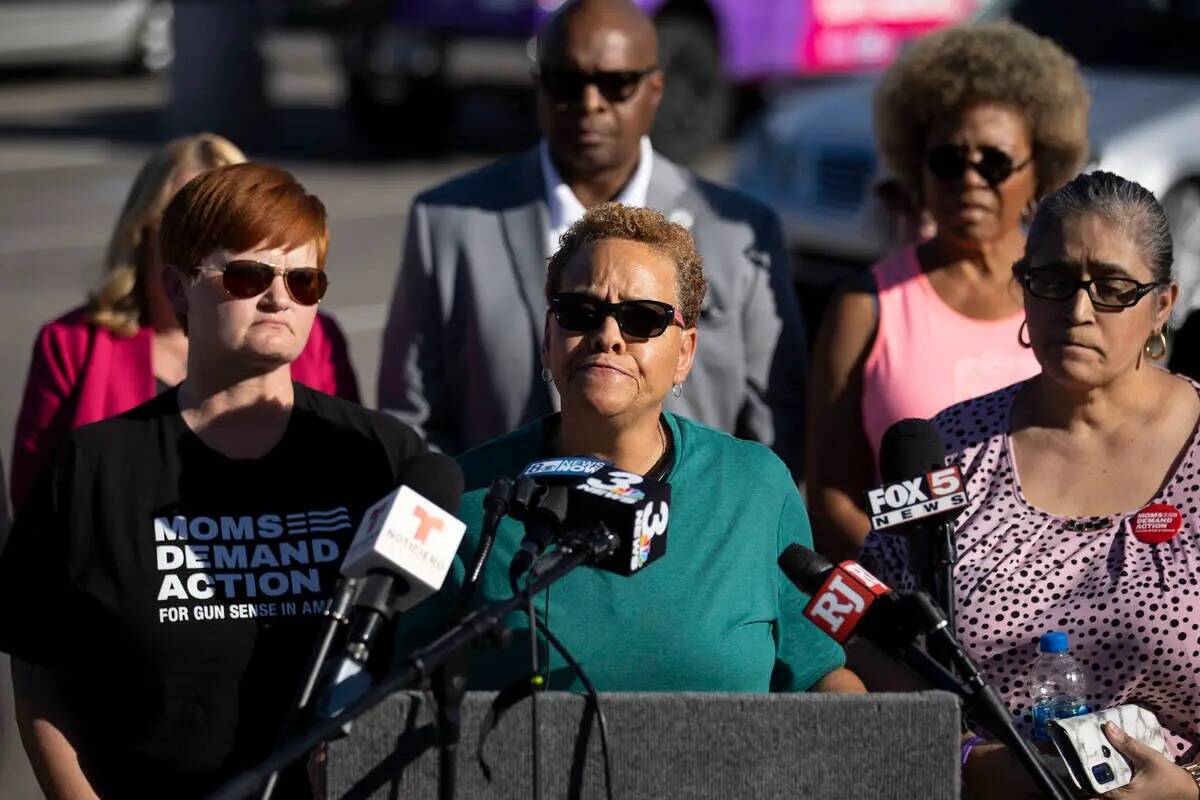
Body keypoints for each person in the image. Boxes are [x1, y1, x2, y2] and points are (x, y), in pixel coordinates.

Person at [0, 164, 424, 799]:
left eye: (303, 280)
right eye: (248, 275)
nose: (279, 298)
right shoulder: (94, 466)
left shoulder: (378, 457)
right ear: (177, 289)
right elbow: (38, 670)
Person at [406, 204, 862, 695]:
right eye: (579, 313)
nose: (607, 337)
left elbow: (818, 677)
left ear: (685, 352)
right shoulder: (463, 496)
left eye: (642, 319)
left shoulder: (755, 487)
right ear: (547, 339)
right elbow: (390, 686)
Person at [865, 172, 1200, 800]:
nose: (1077, 311)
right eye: (1053, 282)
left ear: (1163, 304)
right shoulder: (950, 445)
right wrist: (967, 759)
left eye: (1112, 289)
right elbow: (867, 631)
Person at [378, 0, 807, 476]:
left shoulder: (739, 232)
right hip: (503, 536)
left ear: (655, 89)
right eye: (567, 81)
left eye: (616, 84)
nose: (590, 103)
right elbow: (413, 421)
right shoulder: (447, 220)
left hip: (688, 540)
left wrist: (728, 534)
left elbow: (776, 427)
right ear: (539, 86)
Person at [806, 21, 1092, 562]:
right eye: (948, 161)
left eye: (995, 162)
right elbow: (830, 496)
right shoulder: (865, 307)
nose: (970, 180)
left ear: (1040, 173)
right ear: (918, 170)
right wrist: (914, 587)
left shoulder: (1075, 297)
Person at [11, 133, 360, 513]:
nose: (198, 247)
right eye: (183, 227)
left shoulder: (313, 337)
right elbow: (37, 503)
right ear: (142, 234)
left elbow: (353, 473)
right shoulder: (73, 345)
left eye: (231, 233)